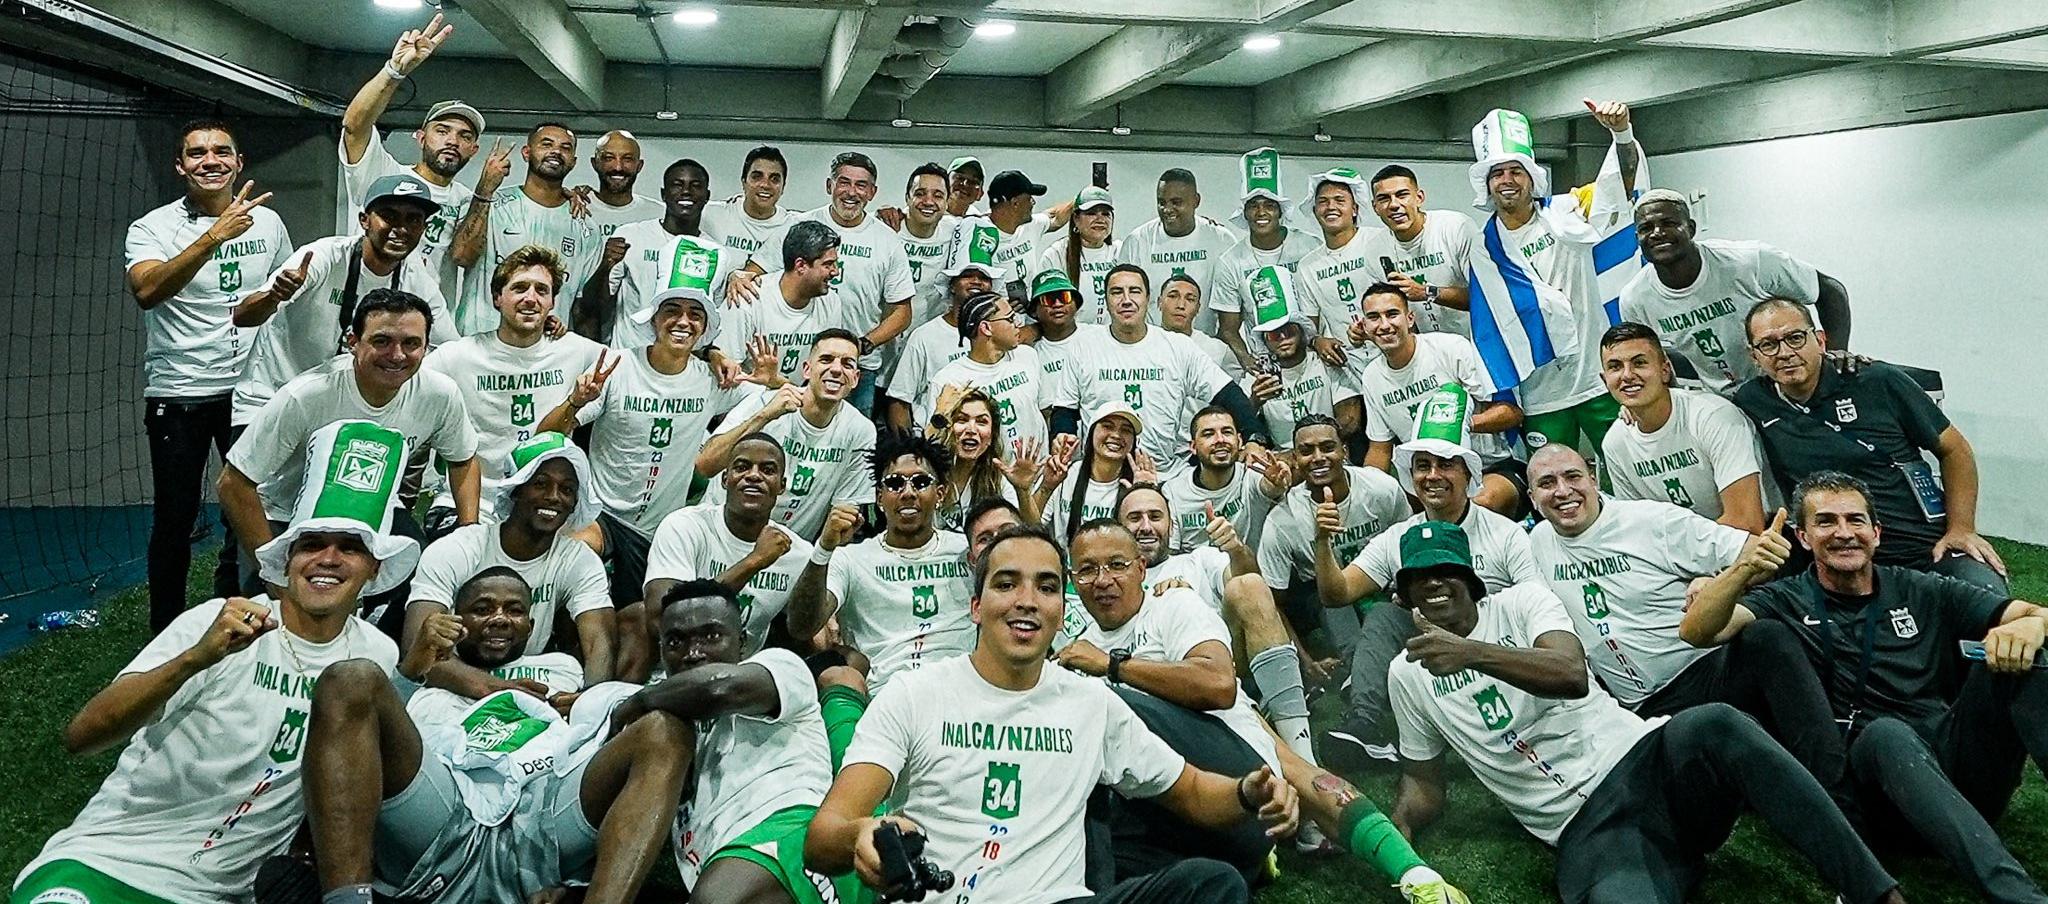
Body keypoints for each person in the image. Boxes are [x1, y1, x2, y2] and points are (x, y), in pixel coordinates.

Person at [1382, 521, 1906, 904]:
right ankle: (1668, 866)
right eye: (1419, 578)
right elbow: (1423, 780)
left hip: (1648, 762)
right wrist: (1399, 826)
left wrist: (1472, 652)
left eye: (1446, 571)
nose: (1433, 583)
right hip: (1589, 831)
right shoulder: (1406, 675)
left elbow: (1569, 674)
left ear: (1470, 580)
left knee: (1714, 723)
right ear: (1403, 594)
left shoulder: (1522, 603)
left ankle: (1876, 892)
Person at [13, 423, 414, 904]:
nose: (327, 559)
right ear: (286, 561)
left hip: (221, 893)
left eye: (349, 547)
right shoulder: (216, 622)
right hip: (110, 863)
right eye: (311, 544)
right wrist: (195, 659)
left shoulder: (375, 654)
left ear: (374, 570)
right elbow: (82, 737)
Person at [804, 524, 1297, 904]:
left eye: (1046, 587)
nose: (1027, 601)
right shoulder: (914, 695)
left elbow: (1188, 790)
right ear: (976, 606)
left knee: (1210, 884)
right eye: (1006, 584)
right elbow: (824, 837)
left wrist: (1246, 791)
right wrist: (862, 832)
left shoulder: (1090, 702)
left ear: (1062, 609)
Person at [1680, 471, 2048, 903]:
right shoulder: (1786, 600)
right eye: (1826, 522)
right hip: (1880, 792)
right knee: (1887, 734)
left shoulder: (1920, 589)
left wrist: (2032, 625)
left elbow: (2034, 610)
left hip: (1954, 765)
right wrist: (1743, 569)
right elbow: (1698, 631)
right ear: (1802, 536)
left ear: (1876, 533)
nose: (1843, 533)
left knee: (2024, 659)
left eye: (1855, 521)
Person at [299, 569, 690, 904]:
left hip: (544, 816)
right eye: (482, 609)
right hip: (441, 813)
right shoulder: (429, 673)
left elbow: (598, 735)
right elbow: (369, 736)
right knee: (349, 679)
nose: (500, 619)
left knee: (663, 729)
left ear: (533, 626)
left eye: (515, 610)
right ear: (457, 619)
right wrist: (415, 668)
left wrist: (589, 703)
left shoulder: (563, 669)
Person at [1525, 444, 1847, 798]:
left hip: (1707, 670)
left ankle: (1838, 786)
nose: (1562, 491)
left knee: (1766, 637)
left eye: (1572, 477)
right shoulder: (1536, 544)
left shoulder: (1651, 521)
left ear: (1593, 477)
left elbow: (1753, 553)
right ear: (1532, 497)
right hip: (1642, 711)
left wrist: (1717, 580)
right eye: (1547, 483)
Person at [128, 119, 293, 630]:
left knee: (247, 511)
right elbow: (147, 290)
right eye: (197, 154)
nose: (211, 161)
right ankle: (167, 632)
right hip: (182, 392)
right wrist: (212, 238)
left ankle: (238, 615)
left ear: (239, 163)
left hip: (250, 392)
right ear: (181, 166)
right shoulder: (152, 227)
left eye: (222, 151)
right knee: (175, 520)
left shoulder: (269, 224)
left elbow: (281, 299)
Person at [1311, 401, 1539, 770]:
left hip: (1493, 651)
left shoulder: (1506, 535)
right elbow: (1336, 594)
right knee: (1385, 615)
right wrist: (1322, 542)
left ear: (1468, 474)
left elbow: (1536, 604)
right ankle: (1365, 726)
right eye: (1422, 466)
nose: (1433, 475)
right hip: (1429, 655)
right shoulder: (1399, 537)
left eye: (1446, 464)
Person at [220, 291, 478, 613]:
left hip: (372, 513)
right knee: (277, 619)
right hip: (286, 518)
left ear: (427, 348)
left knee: (422, 590)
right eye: (382, 341)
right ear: (353, 341)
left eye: (411, 344)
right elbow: (232, 483)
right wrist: (270, 570)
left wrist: (469, 534)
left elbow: (463, 459)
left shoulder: (440, 394)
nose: (397, 355)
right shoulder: (306, 396)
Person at [621, 581, 869, 904]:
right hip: (717, 858)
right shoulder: (669, 725)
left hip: (793, 834)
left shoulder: (782, 667)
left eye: (711, 636)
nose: (693, 653)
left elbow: (717, 689)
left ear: (742, 643)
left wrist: (635, 702)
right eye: (676, 642)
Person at [1736, 298, 2008, 593]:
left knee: (1993, 605)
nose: (1785, 352)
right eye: (1769, 344)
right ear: (1754, 356)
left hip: (1922, 546)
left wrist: (1962, 528)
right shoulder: (1752, 402)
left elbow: (1955, 449)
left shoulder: (1877, 381)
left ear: (1820, 339)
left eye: (1795, 338)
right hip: (1833, 557)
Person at [541, 264, 748, 610]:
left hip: (663, 532)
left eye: (695, 315)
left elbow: (784, 395)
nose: (683, 321)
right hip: (602, 515)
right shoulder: (616, 366)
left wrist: (765, 378)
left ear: (704, 329)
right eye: (672, 311)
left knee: (643, 621)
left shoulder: (711, 379)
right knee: (570, 559)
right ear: (653, 319)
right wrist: (575, 402)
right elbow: (545, 438)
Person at [1460, 102, 1643, 456]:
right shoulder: (1484, 249)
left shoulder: (1568, 212)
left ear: (1532, 178)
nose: (1507, 180)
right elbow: (1489, 325)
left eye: (1516, 171)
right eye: (1497, 173)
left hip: (1596, 378)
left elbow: (1621, 184)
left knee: (1628, 468)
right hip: (1541, 392)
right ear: (1487, 185)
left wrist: (1621, 132)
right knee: (1552, 485)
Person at [229, 173, 456, 428]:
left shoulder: (417, 279)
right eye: (389, 216)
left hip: (337, 413)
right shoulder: (323, 256)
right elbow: (242, 316)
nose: (401, 228)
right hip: (271, 400)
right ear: (364, 220)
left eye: (413, 219)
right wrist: (274, 296)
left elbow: (449, 350)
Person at [405, 432, 615, 690]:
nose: (554, 496)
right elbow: (415, 648)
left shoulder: (579, 560)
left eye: (567, 489)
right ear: (515, 490)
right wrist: (501, 691)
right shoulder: (457, 548)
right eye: (540, 483)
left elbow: (599, 643)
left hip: (531, 674)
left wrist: (589, 702)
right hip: (450, 683)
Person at [788, 429, 974, 691]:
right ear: (878, 497)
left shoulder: (967, 552)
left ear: (940, 494)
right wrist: (824, 549)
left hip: (960, 694)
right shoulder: (850, 559)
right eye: (895, 484)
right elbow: (801, 627)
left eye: (920, 482)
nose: (908, 492)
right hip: (881, 698)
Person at [1621, 189, 1853, 393]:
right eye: (1646, 228)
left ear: (1691, 229)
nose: (1657, 233)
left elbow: (1829, 291)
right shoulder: (1635, 299)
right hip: (1725, 402)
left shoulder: (1749, 261)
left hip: (1787, 387)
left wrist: (1837, 352)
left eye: (1669, 224)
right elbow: (1650, 356)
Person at [423, 245, 604, 504]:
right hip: (471, 502)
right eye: (520, 288)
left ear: (552, 302)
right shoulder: (458, 356)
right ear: (498, 297)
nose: (531, 298)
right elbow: (407, 385)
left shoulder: (574, 349)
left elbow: (628, 368)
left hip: (538, 504)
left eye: (542, 290)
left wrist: (579, 413)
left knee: (593, 538)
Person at [1056, 265, 1268, 466]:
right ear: (1107, 300)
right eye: (1117, 292)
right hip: (1100, 472)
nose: (1126, 300)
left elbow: (1228, 393)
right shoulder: (1083, 347)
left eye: (1135, 291)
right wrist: (1061, 435)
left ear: (1148, 300)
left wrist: (1254, 438)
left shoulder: (1178, 347)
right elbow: (1065, 410)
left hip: (1163, 472)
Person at [640, 434, 815, 667]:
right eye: (742, 467)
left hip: (745, 675)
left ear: (781, 486)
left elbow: (805, 630)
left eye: (768, 470)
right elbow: (659, 618)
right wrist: (754, 561)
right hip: (679, 669)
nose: (753, 475)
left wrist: (824, 552)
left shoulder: (798, 552)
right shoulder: (684, 526)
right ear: (725, 479)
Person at [337, 13, 476, 302]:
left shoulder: (467, 200)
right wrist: (394, 71)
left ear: (473, 150)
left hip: (427, 322)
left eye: (465, 136)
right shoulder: (385, 175)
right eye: (442, 130)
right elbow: (354, 126)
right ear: (421, 137)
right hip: (365, 310)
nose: (452, 140)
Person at [1351, 284, 1524, 515]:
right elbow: (1380, 449)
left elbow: (1512, 413)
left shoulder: (1451, 348)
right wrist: (1365, 493)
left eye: (1392, 314)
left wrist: (1464, 424)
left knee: (1475, 507)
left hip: (1489, 468)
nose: (1384, 325)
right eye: (1374, 317)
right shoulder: (1372, 376)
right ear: (1364, 326)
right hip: (1427, 481)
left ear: (1410, 318)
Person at [696, 330, 879, 540]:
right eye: (826, 360)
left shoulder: (860, 431)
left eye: (847, 364)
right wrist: (764, 416)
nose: (836, 369)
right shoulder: (767, 402)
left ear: (856, 379)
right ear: (807, 370)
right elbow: (705, 465)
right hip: (716, 537)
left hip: (786, 556)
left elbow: (843, 515)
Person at [1598, 321, 1770, 531]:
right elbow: (1639, 531)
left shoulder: (1713, 416)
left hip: (1757, 546)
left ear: (1665, 370)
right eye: (1615, 367)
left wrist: (1686, 557)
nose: (1627, 375)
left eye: (1640, 363)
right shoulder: (1615, 443)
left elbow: (1747, 522)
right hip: (1680, 557)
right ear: (1604, 379)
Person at [450, 122, 601, 336]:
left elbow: (580, 306)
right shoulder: (489, 203)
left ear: (574, 162)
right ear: (526, 153)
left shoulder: (587, 228)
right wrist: (485, 188)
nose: (556, 151)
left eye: (565, 148)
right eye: (546, 144)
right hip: (480, 343)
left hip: (545, 352)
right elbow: (461, 256)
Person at [795, 152, 916, 412]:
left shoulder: (887, 240)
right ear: (830, 186)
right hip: (803, 362)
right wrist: (741, 276)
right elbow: (762, 272)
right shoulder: (801, 226)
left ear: (872, 192)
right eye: (843, 182)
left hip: (859, 368)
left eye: (861, 185)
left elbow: (902, 312)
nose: (851, 192)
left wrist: (865, 344)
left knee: (854, 444)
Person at [1262, 416, 1413, 615]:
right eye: (1306, 451)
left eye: (1327, 448)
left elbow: (1408, 545)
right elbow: (1274, 599)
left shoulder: (1382, 488)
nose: (1317, 458)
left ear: (1344, 451)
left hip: (1385, 581)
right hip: (1325, 596)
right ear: (1295, 459)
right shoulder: (1281, 519)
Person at [584, 158, 740, 347]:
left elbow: (709, 320)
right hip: (629, 358)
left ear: (707, 196)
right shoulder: (631, 235)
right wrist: (605, 266)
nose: (686, 191)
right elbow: (593, 305)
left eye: (695, 186)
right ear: (663, 194)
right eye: (677, 185)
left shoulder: (714, 252)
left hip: (680, 364)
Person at [881, 219, 1005, 430]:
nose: (976, 282)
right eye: (967, 275)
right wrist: (913, 454)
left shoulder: (1000, 335)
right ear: (952, 285)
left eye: (983, 277)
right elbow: (899, 402)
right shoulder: (925, 337)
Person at [1211, 148, 1325, 374]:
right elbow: (1228, 329)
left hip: (1313, 357)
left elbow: (1323, 307)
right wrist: (1247, 361)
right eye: (1253, 206)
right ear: (1244, 212)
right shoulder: (1230, 262)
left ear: (1280, 211)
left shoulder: (1310, 246)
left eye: (1269, 205)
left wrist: (1318, 343)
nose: (1261, 212)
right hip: (1266, 364)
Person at [1242, 271, 1364, 449]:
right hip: (1281, 461)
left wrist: (1312, 449)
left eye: (1289, 329)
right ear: (1264, 340)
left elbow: (1350, 420)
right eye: (1274, 333)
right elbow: (1235, 426)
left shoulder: (1325, 361)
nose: (1283, 337)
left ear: (1301, 330)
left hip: (1327, 452)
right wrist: (1254, 402)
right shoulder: (1257, 377)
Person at [916, 290, 1049, 453]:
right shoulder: (949, 380)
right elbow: (934, 444)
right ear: (986, 328)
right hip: (987, 476)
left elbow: (1043, 411)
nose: (1018, 325)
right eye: (1010, 319)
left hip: (1036, 472)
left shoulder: (1027, 355)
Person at [1358, 165, 1478, 339]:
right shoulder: (1375, 250)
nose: (1394, 205)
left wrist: (1427, 292)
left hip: (1477, 343)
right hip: (1427, 353)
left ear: (1419, 197)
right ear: (1375, 207)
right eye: (1384, 199)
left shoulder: (1456, 227)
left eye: (1402, 195)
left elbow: (1485, 296)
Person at [1117, 167, 1239, 333]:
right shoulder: (1137, 241)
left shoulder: (1221, 240)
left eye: (1176, 202)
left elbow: (1234, 302)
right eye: (1161, 202)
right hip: (1152, 344)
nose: (1167, 210)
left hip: (1204, 344)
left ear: (1196, 201)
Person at [1290, 165, 1378, 363]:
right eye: (1323, 202)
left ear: (1354, 209)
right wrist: (1317, 341)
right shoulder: (1307, 266)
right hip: (1346, 361)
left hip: (1390, 352)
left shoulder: (1378, 241)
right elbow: (1310, 326)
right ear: (1314, 211)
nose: (1331, 207)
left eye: (1340, 200)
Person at [1162, 406, 1279, 552]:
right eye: (1208, 434)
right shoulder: (1173, 491)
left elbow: (1269, 488)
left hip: (1247, 570)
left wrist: (1278, 485)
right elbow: (1171, 554)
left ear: (1240, 441)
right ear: (1193, 447)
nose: (1220, 440)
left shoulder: (1252, 473)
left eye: (1227, 432)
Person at [1038, 402, 1155, 542]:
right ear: (1091, 433)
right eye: (1107, 426)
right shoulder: (1065, 472)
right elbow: (1031, 526)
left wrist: (1145, 495)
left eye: (1126, 430)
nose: (1116, 435)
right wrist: (1046, 487)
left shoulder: (1136, 483)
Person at [932, 387, 1043, 531]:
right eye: (962, 420)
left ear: (991, 436)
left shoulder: (998, 481)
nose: (971, 429)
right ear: (949, 427)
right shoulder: (929, 472)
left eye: (981, 422)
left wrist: (1023, 491)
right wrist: (939, 415)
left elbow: (1033, 535)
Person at [701, 146, 794, 270]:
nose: (765, 185)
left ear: (783, 187)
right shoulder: (711, 214)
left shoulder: (792, 226)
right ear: (744, 182)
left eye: (774, 179)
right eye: (757, 177)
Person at [1035, 185, 1119, 318]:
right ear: (1076, 219)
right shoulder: (1056, 254)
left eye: (1105, 214)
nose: (1100, 219)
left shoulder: (1119, 251)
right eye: (1091, 213)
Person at [895, 162, 956, 333]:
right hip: (885, 335)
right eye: (920, 194)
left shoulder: (955, 230)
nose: (928, 201)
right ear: (907, 198)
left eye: (938, 195)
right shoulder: (888, 228)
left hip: (930, 336)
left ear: (947, 202)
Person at [983, 169, 1065, 286]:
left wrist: (1084, 197)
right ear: (1015, 203)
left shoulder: (1030, 226)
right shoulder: (980, 234)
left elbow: (1055, 218)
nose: (1033, 203)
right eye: (1029, 199)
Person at [1157, 273, 1242, 383]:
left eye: (1190, 299)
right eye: (1173, 296)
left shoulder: (1218, 350)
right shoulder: (1144, 345)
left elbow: (1238, 392)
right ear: (1159, 302)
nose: (1181, 305)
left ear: (1198, 308)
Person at [582, 130, 664, 237]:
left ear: (639, 166)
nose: (618, 167)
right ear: (595, 163)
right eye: (609, 158)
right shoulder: (578, 208)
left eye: (627, 159)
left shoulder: (659, 213)